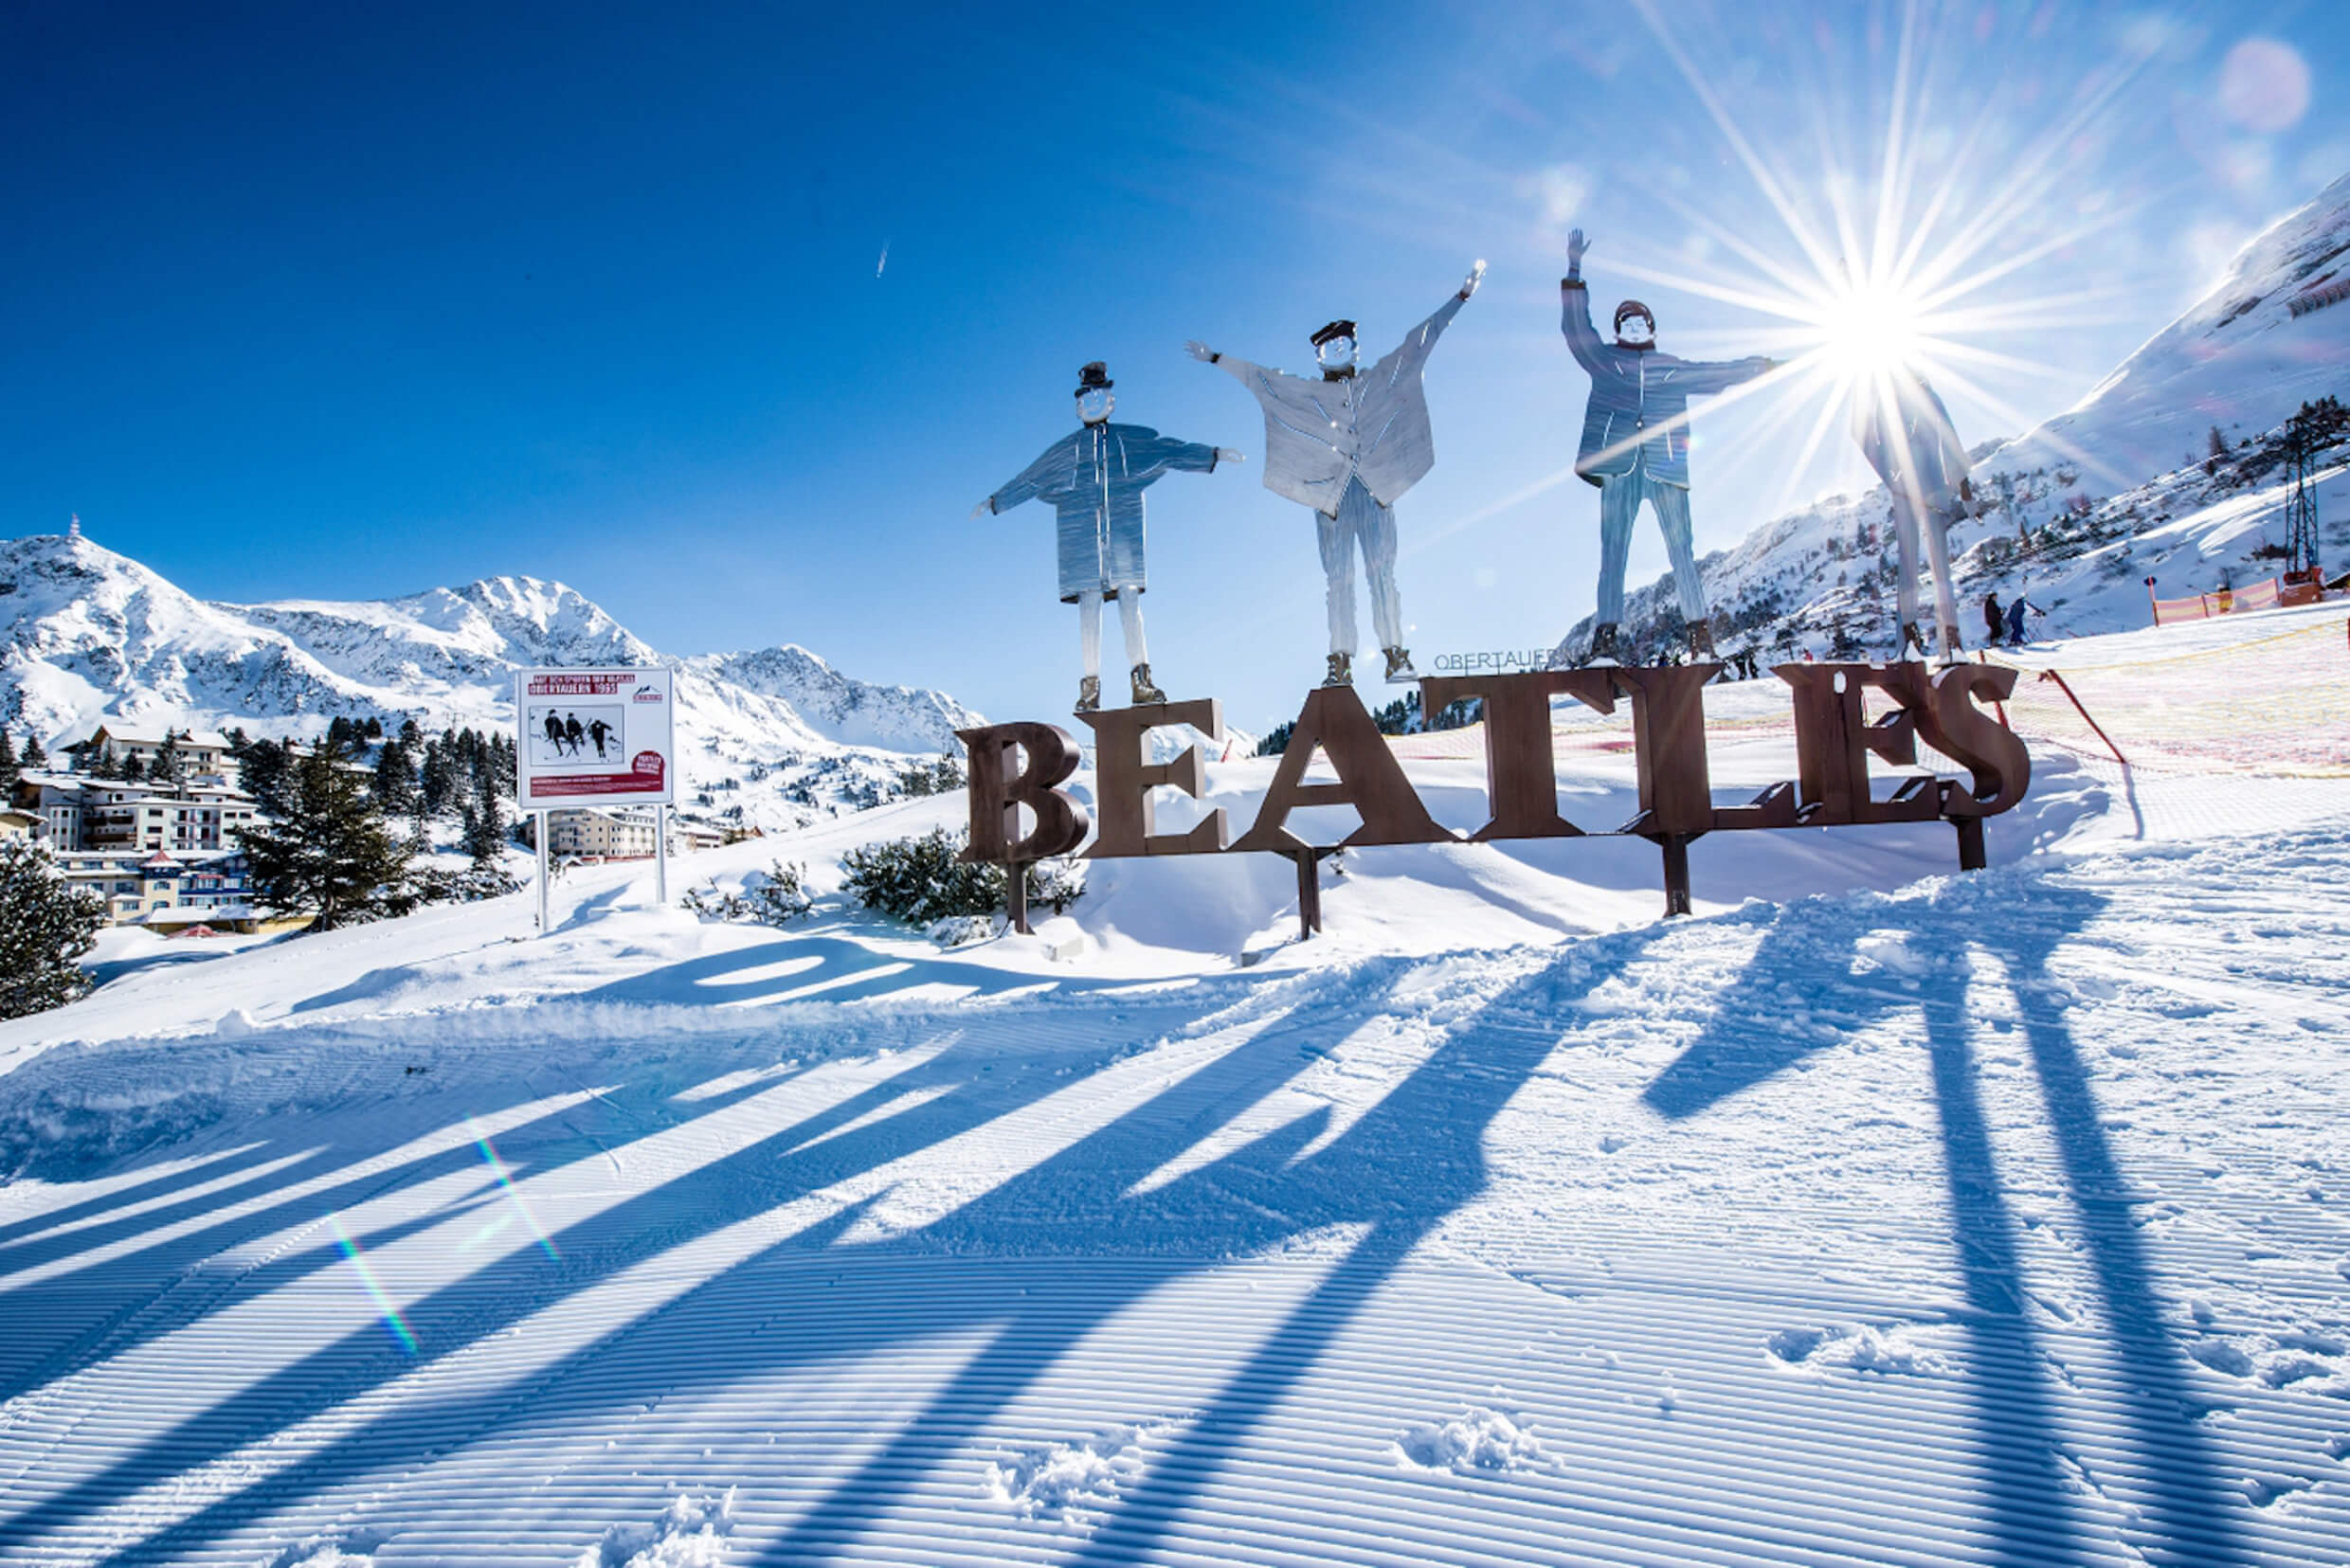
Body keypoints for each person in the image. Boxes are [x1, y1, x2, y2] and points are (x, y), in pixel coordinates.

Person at [1190, 261, 1484, 687]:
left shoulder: (1378, 379)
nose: (1336, 351)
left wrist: (1460, 299)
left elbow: (1419, 343)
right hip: (1330, 498)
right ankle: (1340, 659)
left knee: (1383, 573)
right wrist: (1217, 358)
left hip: (1375, 490)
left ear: (1355, 347)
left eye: (1343, 343)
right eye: (1328, 347)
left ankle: (1395, 653)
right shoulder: (1305, 392)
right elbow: (1260, 380)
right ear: (1318, 356)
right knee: (1338, 580)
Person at [1563, 228, 1776, 664]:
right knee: (1613, 551)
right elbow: (1575, 329)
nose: (1634, 328)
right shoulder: (1605, 360)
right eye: (1626, 323)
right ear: (1619, 331)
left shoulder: (1671, 368)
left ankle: (1700, 636)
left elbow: (1719, 373)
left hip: (1666, 467)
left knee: (1683, 551)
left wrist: (1761, 366)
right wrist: (1574, 273)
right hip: (1619, 465)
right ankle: (1605, 640)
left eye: (1641, 322)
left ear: (1652, 329)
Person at [977, 362, 1238, 712]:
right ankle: (1090, 688)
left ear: (1110, 402)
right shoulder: (1065, 452)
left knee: (1130, 599)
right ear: (1078, 406)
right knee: (1089, 605)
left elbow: (1170, 449)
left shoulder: (1129, 440)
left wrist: (1212, 454)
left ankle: (1141, 681)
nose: (1093, 402)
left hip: (1123, 539)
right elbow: (1031, 479)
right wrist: (996, 502)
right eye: (1086, 397)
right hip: (1081, 543)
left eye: (1099, 395)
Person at [1852, 369, 1974, 660]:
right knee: (1920, 564)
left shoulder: (1916, 398)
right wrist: (1891, 476)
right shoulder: (1895, 401)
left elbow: (1949, 440)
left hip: (1923, 488)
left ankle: (1939, 642)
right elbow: (1862, 433)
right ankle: (1916, 640)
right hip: (1916, 488)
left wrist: (1892, 477)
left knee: (1929, 564)